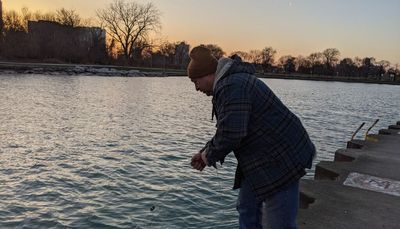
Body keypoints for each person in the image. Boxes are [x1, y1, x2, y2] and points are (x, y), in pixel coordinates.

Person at [188, 46, 316, 229]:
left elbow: (232, 134)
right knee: (247, 207)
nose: (196, 88)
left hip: (283, 159)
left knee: (279, 223)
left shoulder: (232, 86)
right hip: (261, 159)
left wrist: (206, 157)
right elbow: (228, 128)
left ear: (207, 74)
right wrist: (205, 152)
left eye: (195, 81)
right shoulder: (229, 83)